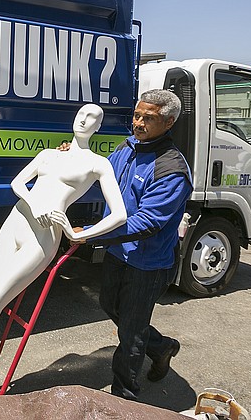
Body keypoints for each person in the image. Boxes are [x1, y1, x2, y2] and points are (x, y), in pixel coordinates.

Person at [0, 103, 128, 400]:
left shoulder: (98, 164)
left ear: (99, 126)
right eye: (80, 113)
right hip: (15, 222)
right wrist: (36, 203)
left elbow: (119, 215)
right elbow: (17, 182)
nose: (83, 119)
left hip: (43, 237)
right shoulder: (50, 154)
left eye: (92, 116)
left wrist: (77, 234)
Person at [70, 89, 193, 401]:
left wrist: (90, 233)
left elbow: (147, 222)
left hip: (148, 264)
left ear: (168, 123)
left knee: (131, 334)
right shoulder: (127, 148)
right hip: (117, 252)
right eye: (137, 115)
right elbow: (100, 173)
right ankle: (162, 347)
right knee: (110, 306)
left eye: (148, 119)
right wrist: (72, 155)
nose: (138, 123)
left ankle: (123, 397)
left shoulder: (171, 169)